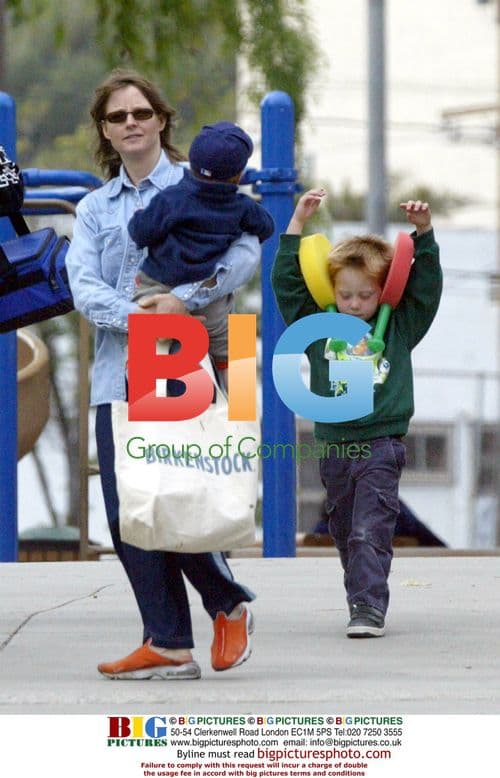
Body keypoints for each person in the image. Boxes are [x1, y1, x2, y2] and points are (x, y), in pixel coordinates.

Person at [66, 68, 258, 679]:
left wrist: (184, 298)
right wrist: (139, 315)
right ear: (105, 130)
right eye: (117, 116)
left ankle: (227, 602)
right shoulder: (95, 207)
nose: (131, 124)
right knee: (129, 513)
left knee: (181, 498)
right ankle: (169, 643)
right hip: (116, 369)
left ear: (162, 119)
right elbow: (83, 285)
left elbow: (246, 254)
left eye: (141, 113)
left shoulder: (207, 184)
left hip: (183, 364)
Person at [271, 189, 442, 638]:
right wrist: (295, 227)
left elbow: (425, 289)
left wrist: (423, 234)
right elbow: (288, 287)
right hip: (334, 444)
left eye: (364, 295)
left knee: (371, 526)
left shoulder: (400, 327)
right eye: (344, 294)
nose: (352, 303)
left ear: (383, 291)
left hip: (382, 444)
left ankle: (368, 607)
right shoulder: (318, 328)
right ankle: (358, 596)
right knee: (346, 529)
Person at [128, 121, 274, 382]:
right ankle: (242, 410)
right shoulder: (241, 207)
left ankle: (143, 385)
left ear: (190, 164)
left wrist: (141, 215)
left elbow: (139, 232)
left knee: (146, 331)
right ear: (239, 176)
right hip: (210, 300)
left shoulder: (172, 199)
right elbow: (266, 227)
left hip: (157, 288)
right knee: (235, 347)